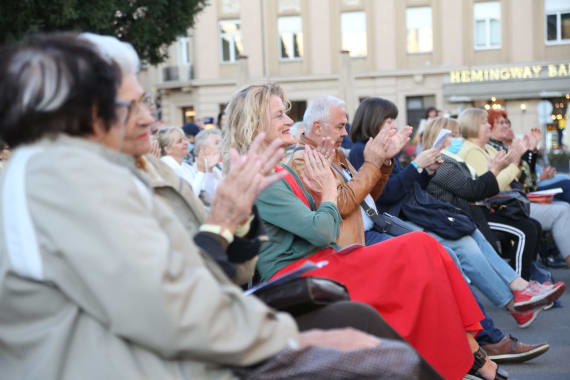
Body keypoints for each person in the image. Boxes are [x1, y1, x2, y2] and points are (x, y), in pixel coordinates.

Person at [0, 32, 446, 380]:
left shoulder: (108, 172)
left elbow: (218, 277)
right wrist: (289, 339)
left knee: (370, 332)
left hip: (174, 346)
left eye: (147, 102)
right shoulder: (61, 180)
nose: (149, 118)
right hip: (148, 361)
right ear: (84, 110)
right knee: (382, 360)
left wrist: (235, 218)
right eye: (133, 104)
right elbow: (168, 308)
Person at [222, 84, 514, 380]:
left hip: (322, 261)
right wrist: (327, 189)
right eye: (279, 115)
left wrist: (364, 169)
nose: (289, 121)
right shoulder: (261, 174)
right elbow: (324, 229)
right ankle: (471, 356)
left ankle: (471, 352)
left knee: (424, 247)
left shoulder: (279, 168)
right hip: (302, 274)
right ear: (255, 125)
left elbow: (357, 203)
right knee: (421, 248)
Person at [347, 98, 563, 327]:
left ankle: (520, 285)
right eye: (388, 120)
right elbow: (386, 195)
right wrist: (416, 166)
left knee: (470, 231)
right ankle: (513, 303)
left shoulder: (383, 148)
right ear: (372, 121)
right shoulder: (362, 151)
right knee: (463, 242)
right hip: (397, 219)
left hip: (416, 211)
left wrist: (425, 171)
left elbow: (408, 187)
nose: (393, 126)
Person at [422, 116, 565, 325]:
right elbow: (475, 189)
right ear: (437, 138)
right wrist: (500, 167)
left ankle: (522, 293)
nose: (458, 139)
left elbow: (518, 182)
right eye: (453, 135)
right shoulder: (442, 162)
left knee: (512, 231)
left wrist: (523, 158)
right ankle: (519, 297)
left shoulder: (452, 159)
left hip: (468, 216)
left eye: (458, 134)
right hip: (464, 216)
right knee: (517, 232)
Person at [459, 108, 570, 269]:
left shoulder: (488, 148)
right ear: (473, 126)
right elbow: (493, 185)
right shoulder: (472, 151)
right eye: (486, 123)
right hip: (494, 208)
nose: (490, 126)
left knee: (555, 208)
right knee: (546, 218)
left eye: (506, 122)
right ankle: (524, 278)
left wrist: (526, 154)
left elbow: (521, 178)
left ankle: (531, 273)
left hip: (510, 201)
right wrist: (517, 161)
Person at [158, 126, 221, 205]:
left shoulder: (186, 166)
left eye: (184, 139)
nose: (185, 142)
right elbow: (190, 197)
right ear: (167, 149)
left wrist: (209, 169)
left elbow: (207, 193)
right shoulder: (167, 166)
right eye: (179, 141)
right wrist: (201, 171)